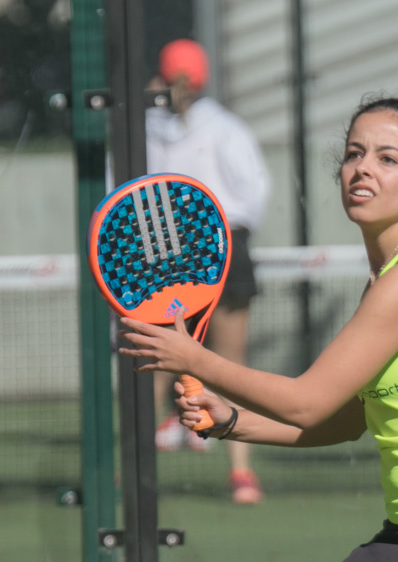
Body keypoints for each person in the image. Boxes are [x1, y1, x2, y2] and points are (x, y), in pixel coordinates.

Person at [119, 96, 398, 562]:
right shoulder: (388, 279)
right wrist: (231, 421)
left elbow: (307, 402)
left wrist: (194, 359)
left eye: (388, 158)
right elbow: (346, 420)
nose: (363, 168)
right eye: (354, 154)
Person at [145, 39, 270, 505]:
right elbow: (253, 194)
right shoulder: (223, 127)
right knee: (222, 366)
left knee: (161, 365)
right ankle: (240, 477)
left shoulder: (158, 127)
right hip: (207, 248)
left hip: (186, 251)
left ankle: (129, 473)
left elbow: (128, 190)